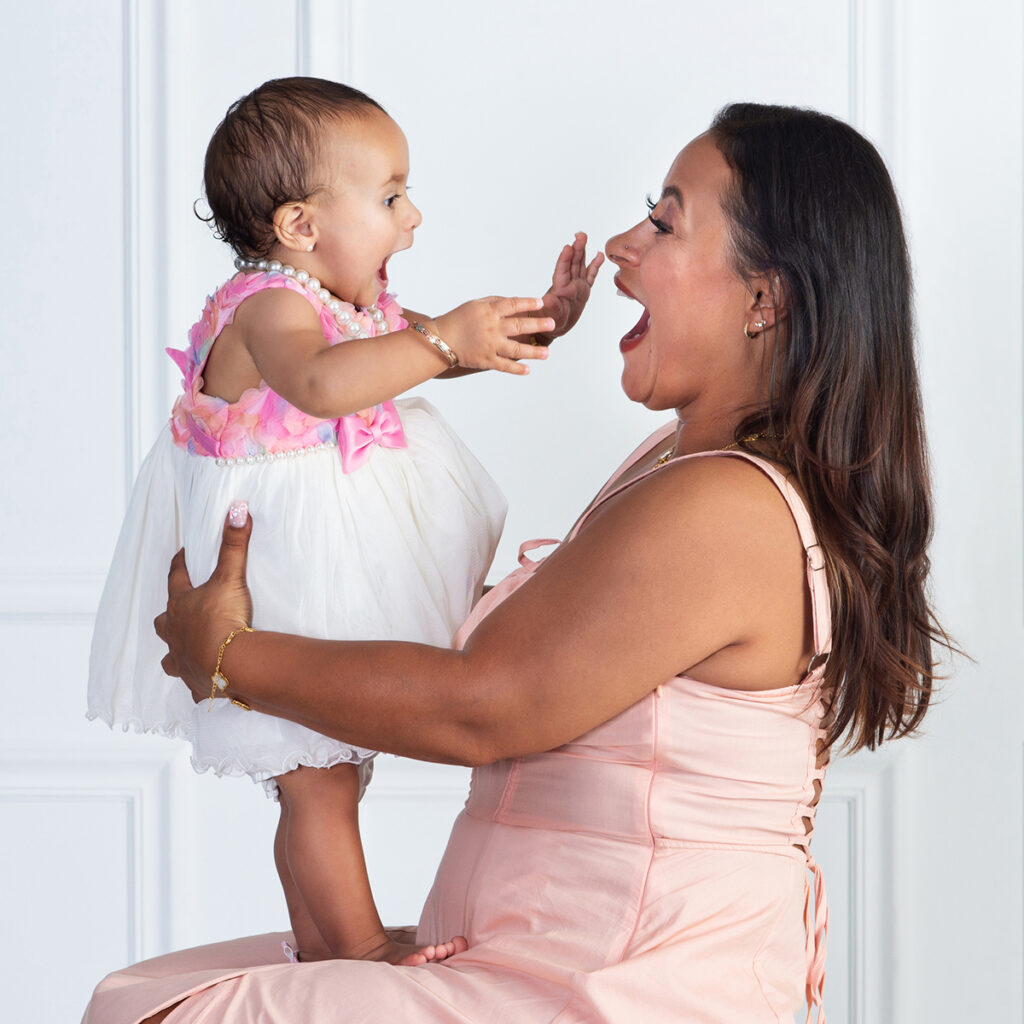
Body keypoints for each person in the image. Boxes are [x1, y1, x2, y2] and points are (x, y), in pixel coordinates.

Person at [84, 102, 950, 1024]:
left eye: (663, 222)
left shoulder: (729, 506)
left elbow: (482, 706)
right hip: (537, 966)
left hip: (613, 992)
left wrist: (229, 653)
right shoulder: (677, 467)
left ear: (764, 298)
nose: (620, 244)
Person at [86, 77, 602, 968]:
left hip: (327, 565)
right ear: (300, 225)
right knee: (315, 783)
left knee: (325, 780)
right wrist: (442, 341)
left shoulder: (332, 300)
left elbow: (416, 356)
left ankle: (329, 945)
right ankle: (359, 947)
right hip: (280, 578)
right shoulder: (270, 306)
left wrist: (530, 325)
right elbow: (322, 385)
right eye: (392, 196)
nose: (414, 219)